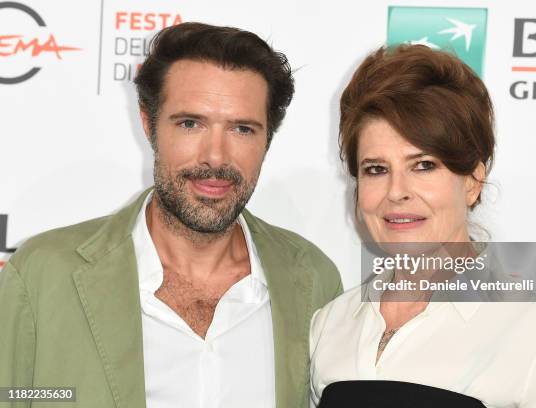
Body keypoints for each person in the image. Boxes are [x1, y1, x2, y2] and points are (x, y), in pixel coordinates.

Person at [0, 22, 342, 408]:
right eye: (190, 124)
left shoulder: (313, 281)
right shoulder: (43, 276)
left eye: (242, 129)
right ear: (148, 124)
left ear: (267, 139)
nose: (215, 156)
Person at [309, 45, 536, 407]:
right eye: (376, 169)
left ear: (472, 181)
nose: (396, 192)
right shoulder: (331, 324)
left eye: (424, 165)